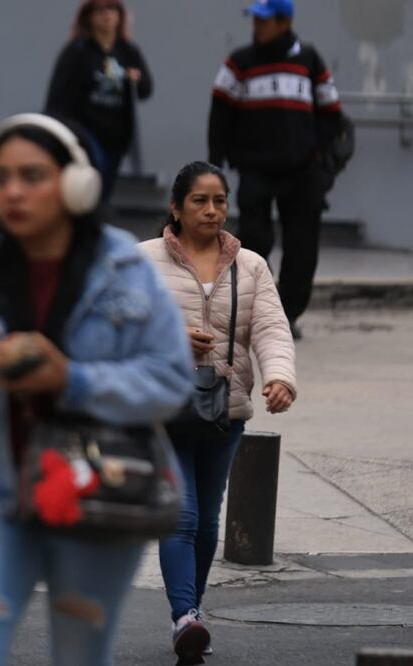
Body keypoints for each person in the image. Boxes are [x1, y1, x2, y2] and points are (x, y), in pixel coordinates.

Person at [0, 114, 193, 666]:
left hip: (96, 493)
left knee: (82, 654)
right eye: (2, 176)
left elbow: (170, 381)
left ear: (75, 183)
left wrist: (72, 378)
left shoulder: (124, 267)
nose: (12, 190)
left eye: (31, 175)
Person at [139, 161, 297, 663]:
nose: (211, 210)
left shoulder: (249, 265)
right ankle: (184, 616)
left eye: (220, 201)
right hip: (163, 409)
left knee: (207, 522)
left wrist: (279, 377)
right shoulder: (141, 262)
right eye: (199, 201)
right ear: (175, 208)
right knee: (181, 516)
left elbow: (270, 328)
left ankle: (193, 612)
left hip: (224, 411)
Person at [208, 0, 342, 339]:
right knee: (252, 243)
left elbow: (332, 113)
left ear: (284, 23)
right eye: (254, 19)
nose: (256, 26)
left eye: (263, 20)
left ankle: (288, 314)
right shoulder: (239, 63)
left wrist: (319, 158)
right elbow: (220, 113)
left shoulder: (309, 61)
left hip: (303, 173)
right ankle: (258, 313)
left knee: (302, 247)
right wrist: (217, 164)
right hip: (256, 170)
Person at [44, 0, 152, 203]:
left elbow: (146, 90)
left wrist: (137, 79)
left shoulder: (128, 51)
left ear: (120, 16)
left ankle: (95, 225)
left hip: (117, 134)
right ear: (89, 17)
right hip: (85, 130)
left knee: (105, 186)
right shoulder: (78, 51)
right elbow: (57, 95)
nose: (107, 15)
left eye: (112, 9)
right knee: (92, 177)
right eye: (100, 9)